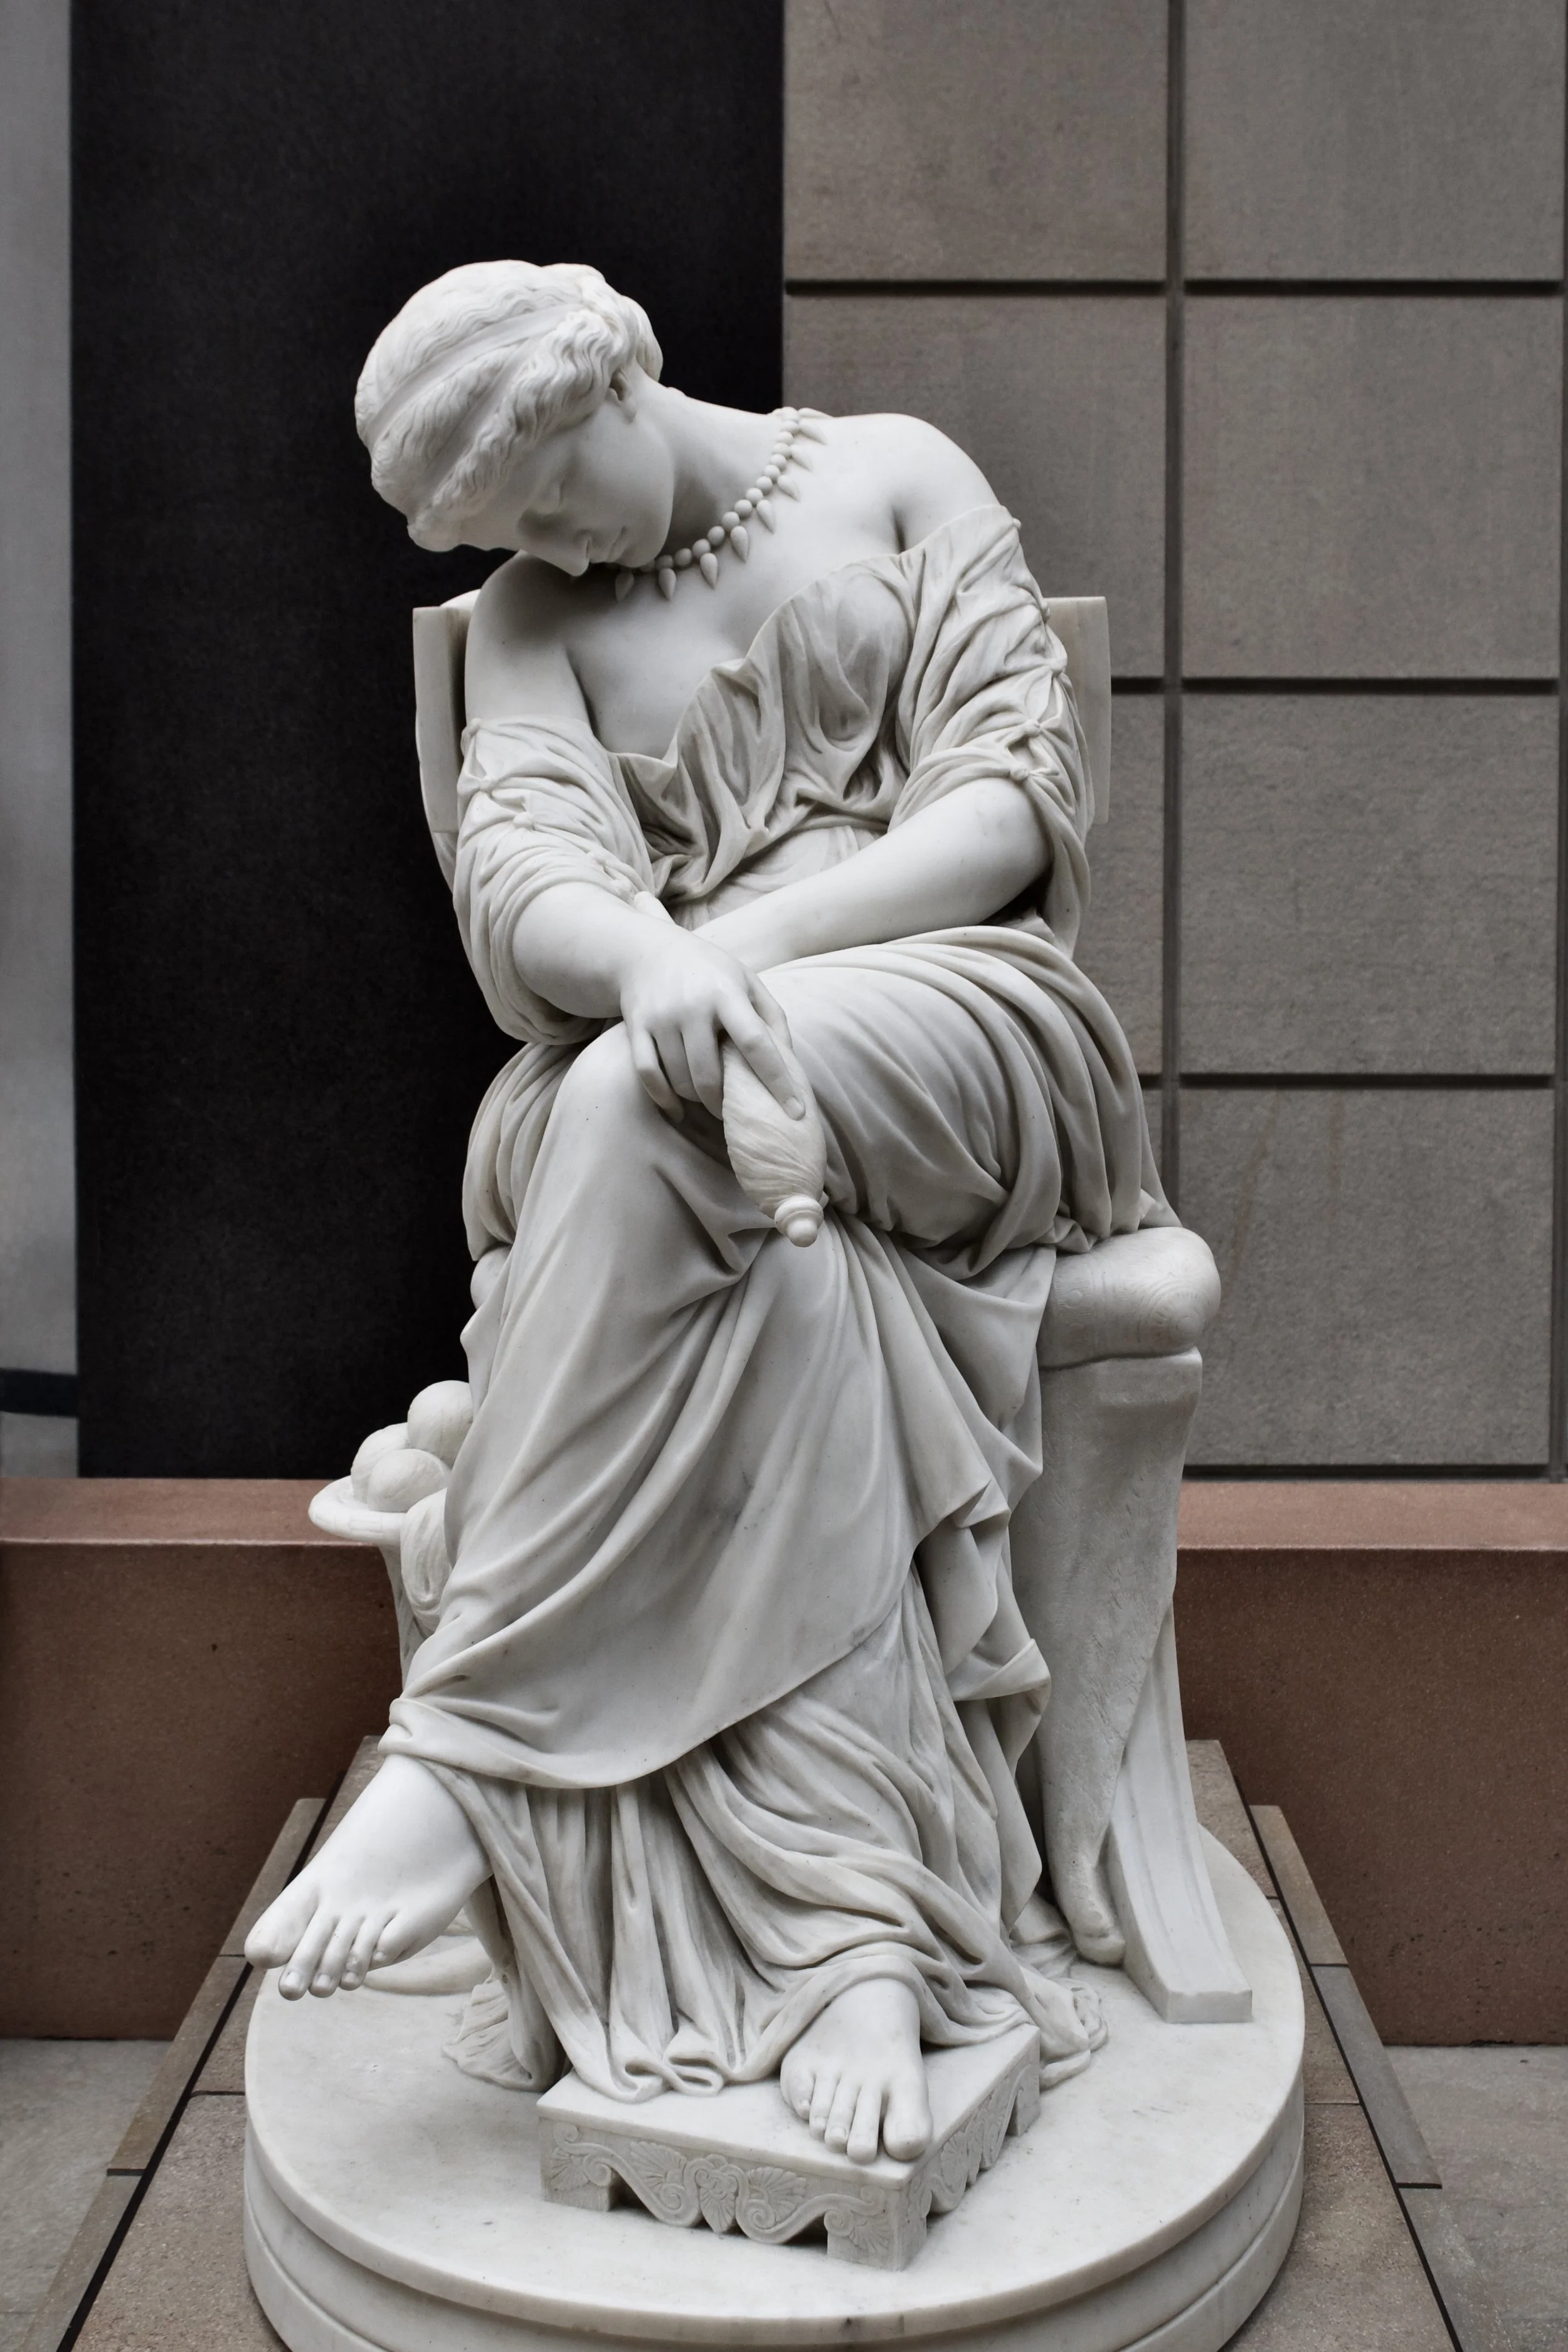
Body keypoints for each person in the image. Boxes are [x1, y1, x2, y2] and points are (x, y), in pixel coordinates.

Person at [248, 260, 1173, 2168]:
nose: (545, 545)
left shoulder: (898, 475)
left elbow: (1001, 816)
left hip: (955, 1015)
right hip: (669, 1086)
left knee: (632, 1100)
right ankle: (849, 1929)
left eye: (545, 492)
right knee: (758, 1255)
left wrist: (707, 957)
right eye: (502, 535)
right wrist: (640, 960)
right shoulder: (527, 617)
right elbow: (521, 887)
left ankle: (470, 1742)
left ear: (610, 377)